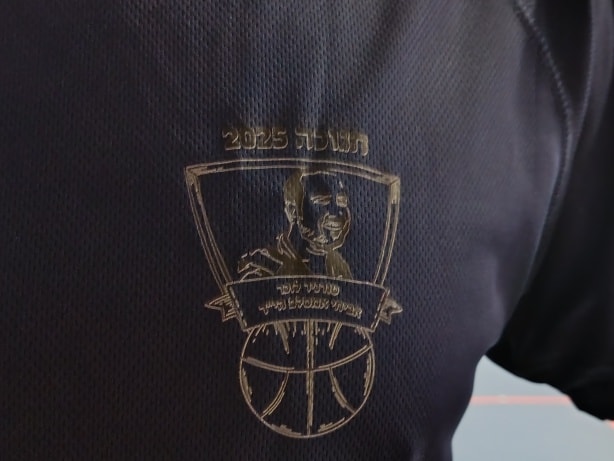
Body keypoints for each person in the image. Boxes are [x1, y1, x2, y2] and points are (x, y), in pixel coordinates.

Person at [1, 2, 613, 460]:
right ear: (295, 216)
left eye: (342, 205)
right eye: (324, 206)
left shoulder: (537, 33)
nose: (338, 215)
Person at [238, 169, 353, 279]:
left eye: (342, 202)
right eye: (323, 201)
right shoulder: (260, 265)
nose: (337, 211)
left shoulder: (337, 264)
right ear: (293, 211)